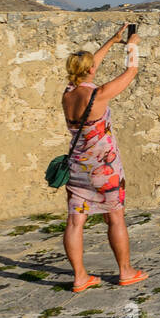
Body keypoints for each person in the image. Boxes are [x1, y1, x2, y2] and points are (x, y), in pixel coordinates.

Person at [61, 25, 146, 292]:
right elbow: (131, 71)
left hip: (78, 167)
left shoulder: (67, 94)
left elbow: (89, 67)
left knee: (75, 221)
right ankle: (125, 271)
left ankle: (79, 277)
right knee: (115, 218)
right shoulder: (98, 95)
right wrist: (132, 45)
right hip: (104, 167)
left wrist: (111, 41)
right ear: (89, 70)